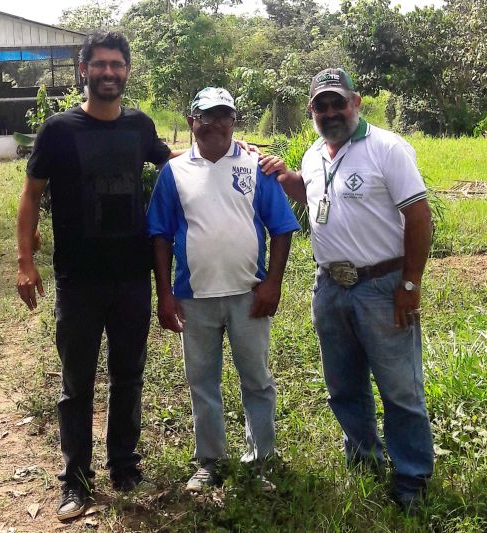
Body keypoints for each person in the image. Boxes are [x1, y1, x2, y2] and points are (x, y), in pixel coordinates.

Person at [16, 32, 284, 520]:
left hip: (132, 278)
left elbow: (186, 161)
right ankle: (75, 480)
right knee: (76, 385)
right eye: (99, 64)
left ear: (127, 71)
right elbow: (32, 195)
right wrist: (25, 260)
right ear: (84, 70)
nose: (109, 72)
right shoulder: (58, 129)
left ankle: (124, 467)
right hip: (78, 279)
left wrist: (241, 148)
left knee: (129, 376)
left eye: (117, 65)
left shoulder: (139, 127)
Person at [277, 68, 434, 512]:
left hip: (382, 285)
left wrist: (409, 282)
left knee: (400, 387)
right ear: (311, 111)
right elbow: (311, 196)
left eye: (337, 102)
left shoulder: (387, 148)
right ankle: (364, 457)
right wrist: (283, 176)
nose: (330, 112)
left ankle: (412, 478)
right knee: (343, 383)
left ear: (356, 102)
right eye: (320, 106)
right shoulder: (313, 156)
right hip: (330, 286)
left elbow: (420, 218)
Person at [147, 87, 299, 493]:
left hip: (249, 295)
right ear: (191, 120)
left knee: (257, 380)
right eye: (205, 116)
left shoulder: (255, 167)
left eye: (223, 116)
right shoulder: (173, 173)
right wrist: (164, 294)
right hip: (194, 298)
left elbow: (282, 228)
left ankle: (260, 460)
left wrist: (273, 284)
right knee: (202, 382)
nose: (214, 124)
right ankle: (209, 461)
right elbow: (159, 235)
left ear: (234, 121)